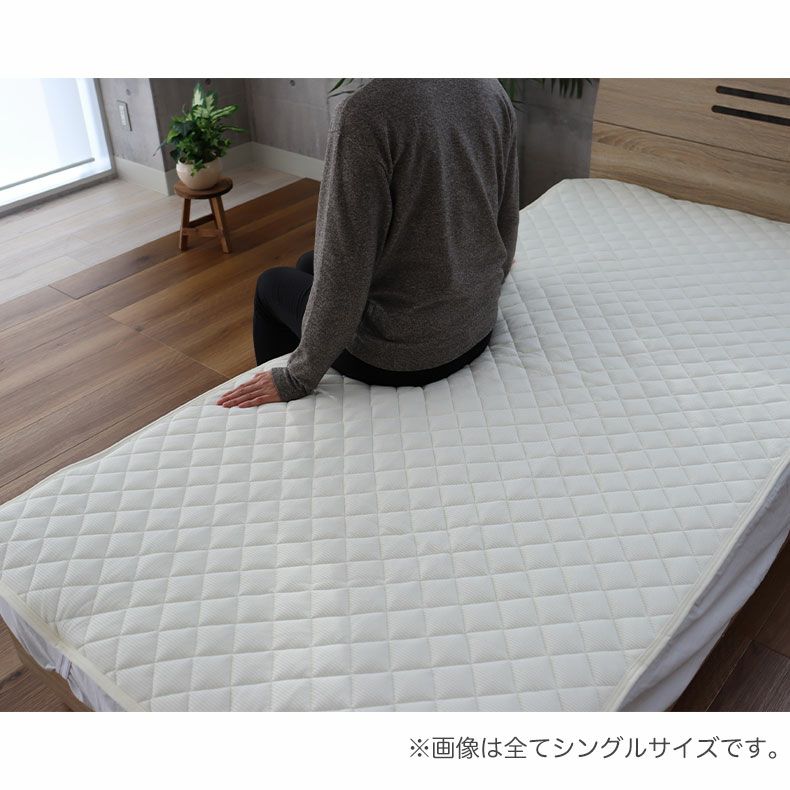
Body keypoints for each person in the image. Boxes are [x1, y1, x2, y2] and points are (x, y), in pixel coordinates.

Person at [217, 78, 519, 409]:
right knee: (307, 263)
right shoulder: (489, 87)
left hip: (405, 353)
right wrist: (494, 273)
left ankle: (277, 414)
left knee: (271, 284)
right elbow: (507, 214)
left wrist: (296, 377)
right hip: (477, 323)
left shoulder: (365, 115)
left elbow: (344, 269)